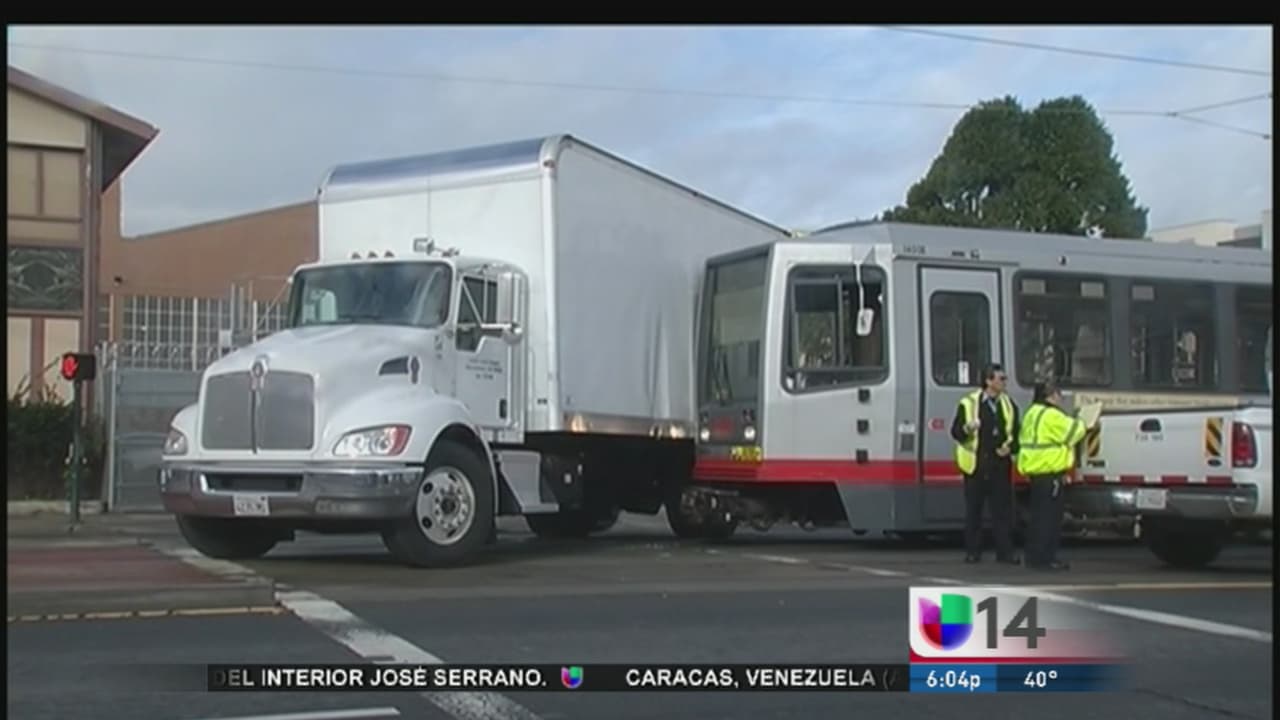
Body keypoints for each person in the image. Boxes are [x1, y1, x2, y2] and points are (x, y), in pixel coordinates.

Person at [950, 363, 1019, 565]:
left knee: (1003, 512)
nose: (1004, 382)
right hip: (976, 465)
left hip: (1000, 465)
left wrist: (1011, 448)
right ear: (989, 381)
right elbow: (955, 433)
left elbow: (1016, 434)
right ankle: (973, 552)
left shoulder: (1008, 404)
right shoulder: (969, 403)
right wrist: (967, 428)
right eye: (1001, 378)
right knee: (974, 512)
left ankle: (1005, 553)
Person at [1016, 381, 1089, 571]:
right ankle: (1046, 559)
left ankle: (1033, 557)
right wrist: (1083, 421)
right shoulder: (1052, 415)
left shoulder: (1032, 413)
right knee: (1050, 519)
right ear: (1051, 395)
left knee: (1037, 518)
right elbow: (1074, 433)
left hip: (1036, 472)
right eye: (1059, 395)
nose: (1061, 399)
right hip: (1050, 472)